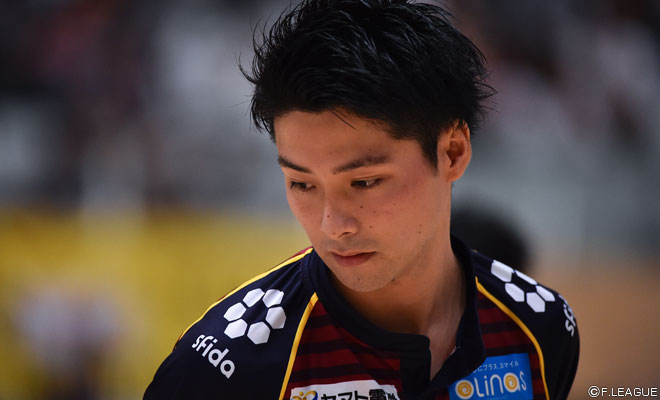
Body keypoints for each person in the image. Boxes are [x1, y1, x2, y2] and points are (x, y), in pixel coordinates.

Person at [144, 1, 579, 399]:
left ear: (452, 152)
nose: (333, 226)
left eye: (365, 182)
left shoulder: (541, 327)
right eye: (302, 184)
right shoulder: (225, 365)